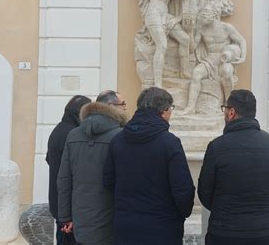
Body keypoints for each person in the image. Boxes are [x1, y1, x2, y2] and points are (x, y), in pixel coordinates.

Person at [103, 87, 195, 245]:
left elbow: (108, 182)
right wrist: (181, 215)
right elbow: (183, 189)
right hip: (163, 228)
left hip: (126, 227)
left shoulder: (118, 140)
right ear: (164, 111)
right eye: (171, 109)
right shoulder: (169, 143)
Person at [198, 90, 269, 245]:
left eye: (225, 109)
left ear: (231, 112)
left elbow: (205, 192)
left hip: (224, 232)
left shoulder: (216, 146)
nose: (224, 113)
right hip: (264, 232)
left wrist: (223, 210)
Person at [57, 90, 128, 245]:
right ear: (110, 106)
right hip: (111, 216)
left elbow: (64, 180)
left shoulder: (73, 134)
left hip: (80, 216)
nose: (125, 108)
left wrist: (65, 217)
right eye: (122, 104)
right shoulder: (121, 136)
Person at [180, 1, 246, 115]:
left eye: (206, 13)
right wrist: (190, 32)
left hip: (223, 60)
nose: (203, 16)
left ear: (215, 14)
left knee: (227, 71)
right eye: (202, 14)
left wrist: (243, 57)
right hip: (209, 61)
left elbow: (241, 41)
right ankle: (191, 107)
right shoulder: (201, 29)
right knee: (196, 73)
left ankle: (228, 104)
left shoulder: (226, 28)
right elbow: (192, 48)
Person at [140, 0, 193, 87]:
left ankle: (185, 72)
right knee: (162, 45)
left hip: (164, 14)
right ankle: (158, 84)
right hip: (155, 14)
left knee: (185, 39)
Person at [46, 95, 91, 245]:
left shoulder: (59, 129)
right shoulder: (72, 134)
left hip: (58, 198)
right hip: (66, 202)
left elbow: (48, 160)